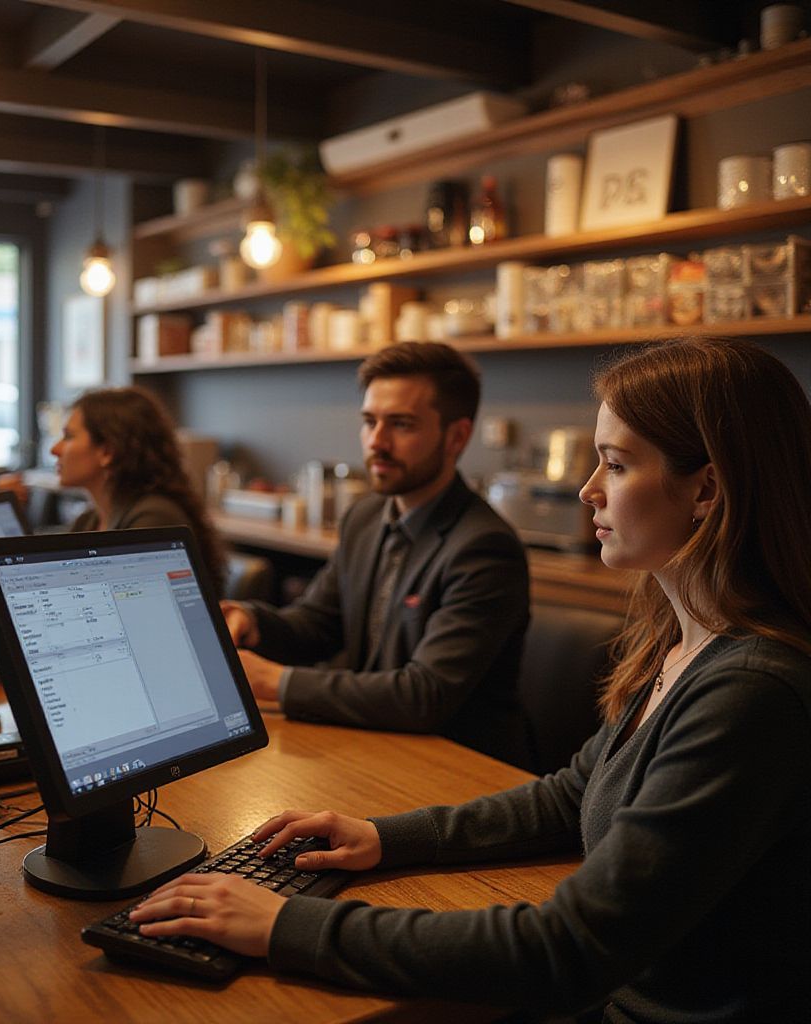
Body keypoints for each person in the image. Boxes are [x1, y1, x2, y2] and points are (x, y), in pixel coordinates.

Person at [131, 337, 811, 1023]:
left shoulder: (749, 692)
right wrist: (383, 836)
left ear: (708, 489)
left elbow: (566, 948)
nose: (587, 490)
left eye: (616, 464)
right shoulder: (676, 639)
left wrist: (283, 927)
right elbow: (572, 794)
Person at [220, 342, 530, 766]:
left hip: (458, 768)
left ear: (456, 436)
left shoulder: (485, 548)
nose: (376, 442)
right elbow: (317, 623)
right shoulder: (365, 517)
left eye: (401, 425)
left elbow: (425, 695)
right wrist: (252, 621)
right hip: (375, 743)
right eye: (369, 422)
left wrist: (275, 682)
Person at [51, 386, 226, 593]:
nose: (54, 449)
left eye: (69, 437)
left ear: (107, 451)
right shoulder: (89, 521)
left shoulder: (154, 519)